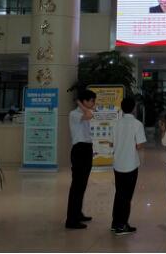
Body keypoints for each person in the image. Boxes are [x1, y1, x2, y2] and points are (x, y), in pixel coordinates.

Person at [111, 97, 146, 235]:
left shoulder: (116, 123)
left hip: (118, 163)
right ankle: (122, 225)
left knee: (119, 193)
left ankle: (115, 223)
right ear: (134, 108)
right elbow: (140, 145)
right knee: (126, 196)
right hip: (131, 164)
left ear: (122, 108)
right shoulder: (137, 124)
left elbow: (112, 142)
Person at [65, 89, 96, 230]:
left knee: (82, 184)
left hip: (86, 149)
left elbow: (89, 114)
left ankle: (78, 213)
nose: (93, 103)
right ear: (84, 101)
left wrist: (83, 105)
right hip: (79, 150)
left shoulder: (84, 112)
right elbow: (89, 115)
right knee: (77, 186)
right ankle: (71, 220)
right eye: (91, 100)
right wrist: (79, 103)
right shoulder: (74, 114)